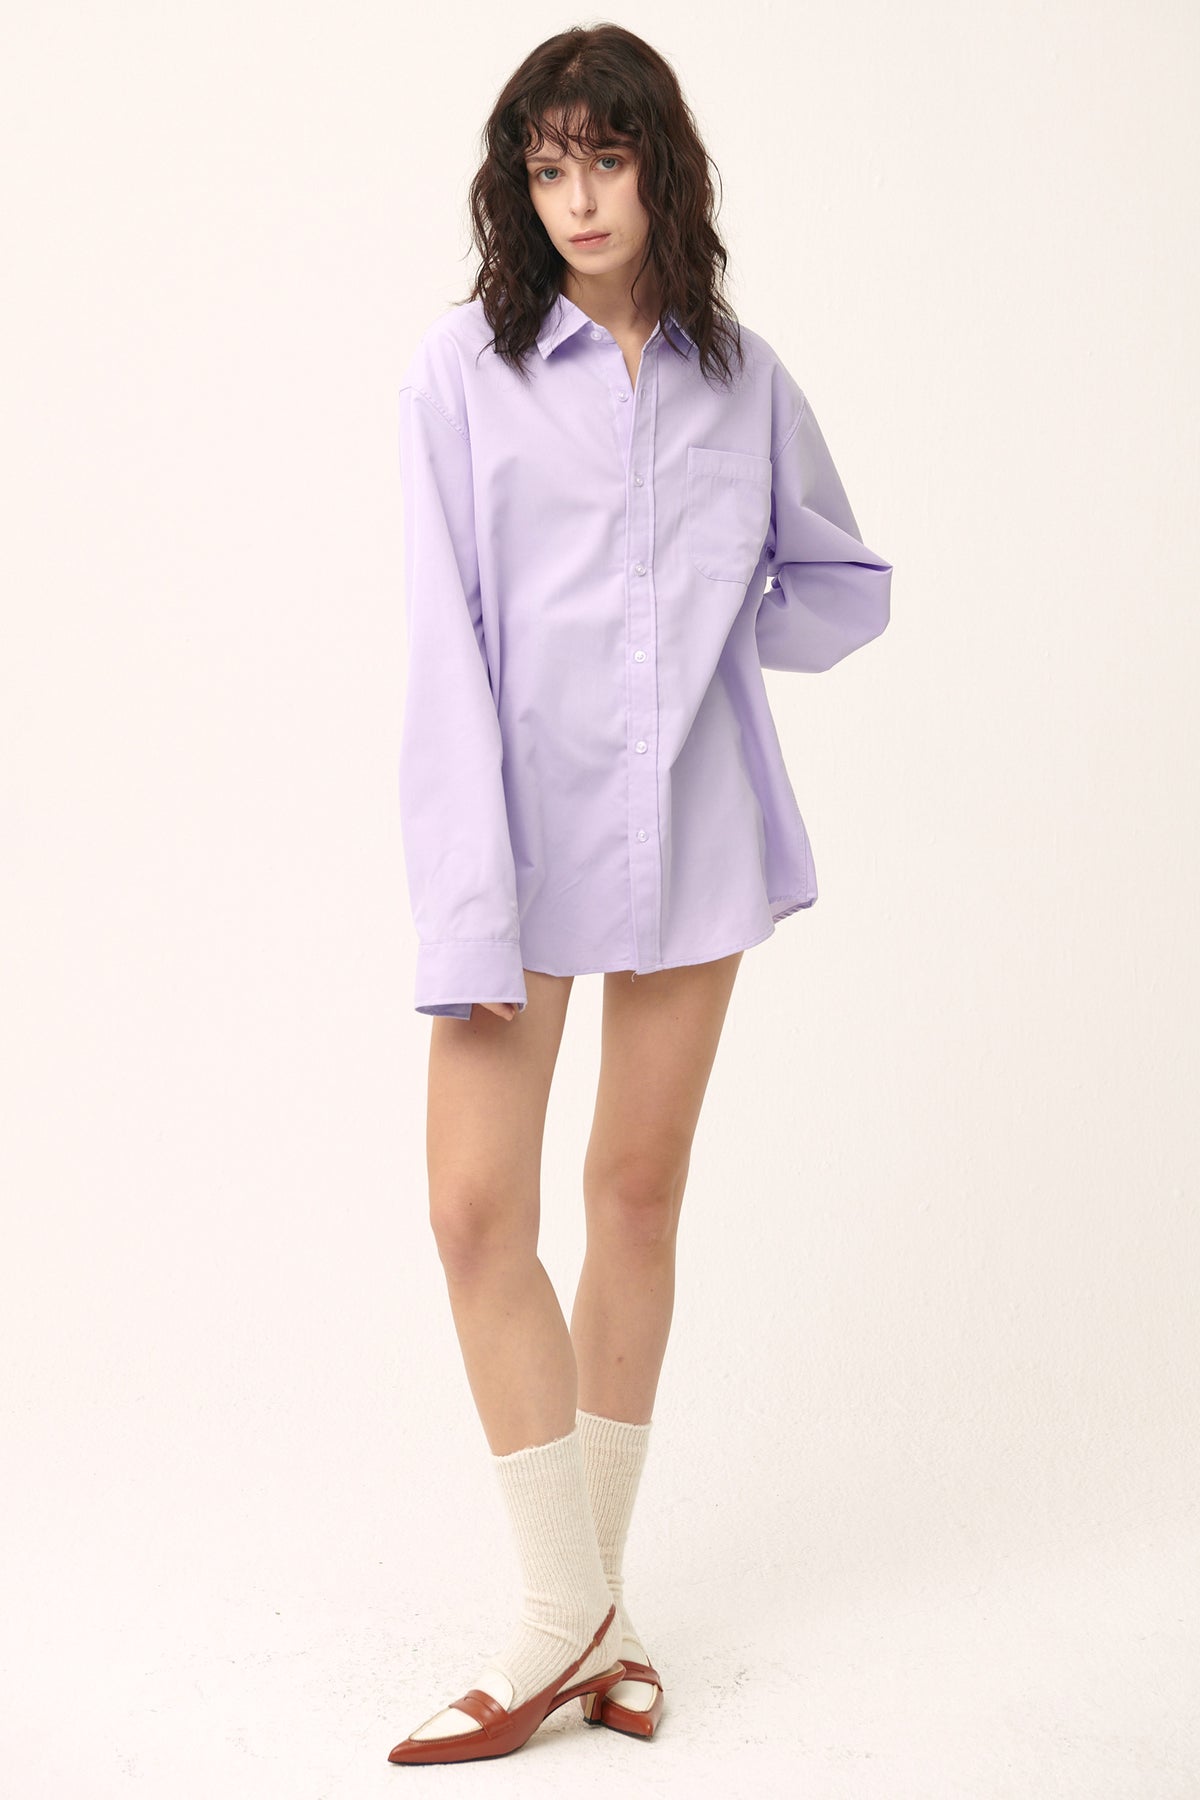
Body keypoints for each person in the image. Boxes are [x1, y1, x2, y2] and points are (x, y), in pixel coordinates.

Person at [387, 22, 892, 1768]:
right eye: (548, 167)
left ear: (660, 167)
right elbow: (442, 649)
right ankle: (569, 1613)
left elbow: (841, 583)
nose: (579, 198)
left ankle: (590, 1611)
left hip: (693, 832)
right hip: (516, 849)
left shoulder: (744, 382)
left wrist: (715, 644)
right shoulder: (462, 372)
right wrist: (462, 903)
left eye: (605, 159)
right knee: (474, 1212)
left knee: (636, 1195)